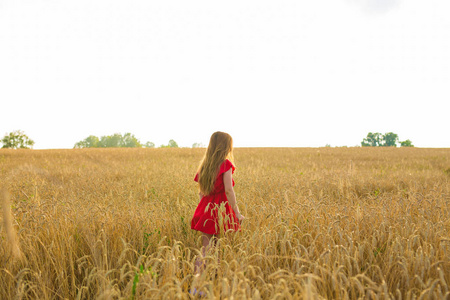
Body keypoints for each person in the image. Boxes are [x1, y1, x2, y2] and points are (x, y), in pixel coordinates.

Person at [191, 131, 245, 274]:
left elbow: (201, 192)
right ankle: (215, 281)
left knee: (206, 248)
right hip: (220, 210)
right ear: (226, 147)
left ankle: (198, 284)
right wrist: (237, 213)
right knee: (218, 247)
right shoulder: (225, 164)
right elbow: (228, 190)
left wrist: (204, 211)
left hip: (205, 208)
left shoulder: (204, 165)